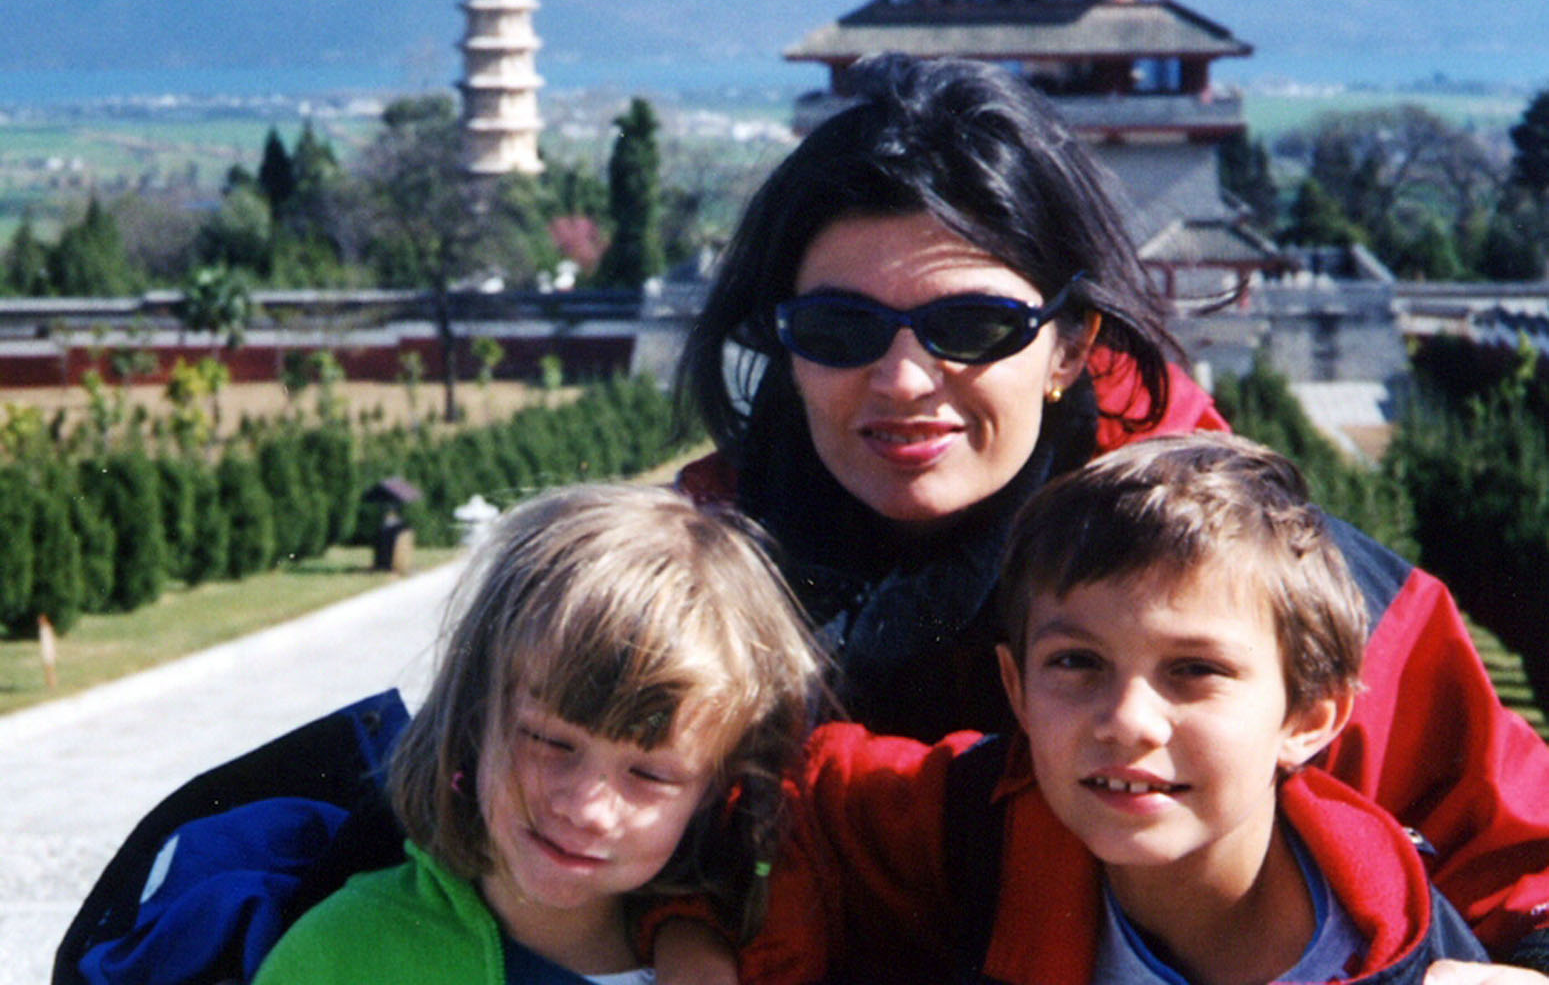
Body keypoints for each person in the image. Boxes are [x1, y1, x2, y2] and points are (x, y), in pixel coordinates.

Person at [672, 53, 1549, 968]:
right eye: (837, 328)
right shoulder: (686, 586)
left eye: (972, 327)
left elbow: (1520, 861)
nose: (902, 380)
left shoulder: (1264, 583)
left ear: (1068, 345)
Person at [736, 434, 1496, 985]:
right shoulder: (979, 820)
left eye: (1195, 671)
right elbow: (774, 788)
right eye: (1077, 663)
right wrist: (695, 937)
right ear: (1016, 690)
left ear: (1309, 720)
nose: (1127, 720)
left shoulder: (1407, 954)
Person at [251, 484, 824, 985]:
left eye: (650, 774)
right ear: (473, 714)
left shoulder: (758, 959)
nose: (587, 808)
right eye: (551, 741)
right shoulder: (344, 954)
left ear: (715, 787)